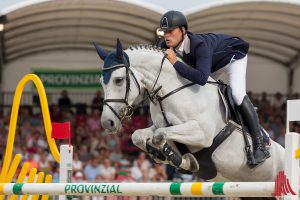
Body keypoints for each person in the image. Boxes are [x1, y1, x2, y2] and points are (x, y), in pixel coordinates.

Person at [158, 10, 270, 164]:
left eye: (170, 31)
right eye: (164, 32)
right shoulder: (164, 45)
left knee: (237, 94)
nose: (166, 36)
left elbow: (202, 78)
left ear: (183, 30)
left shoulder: (199, 45)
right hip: (209, 64)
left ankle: (260, 144)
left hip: (232, 56)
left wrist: (175, 62)